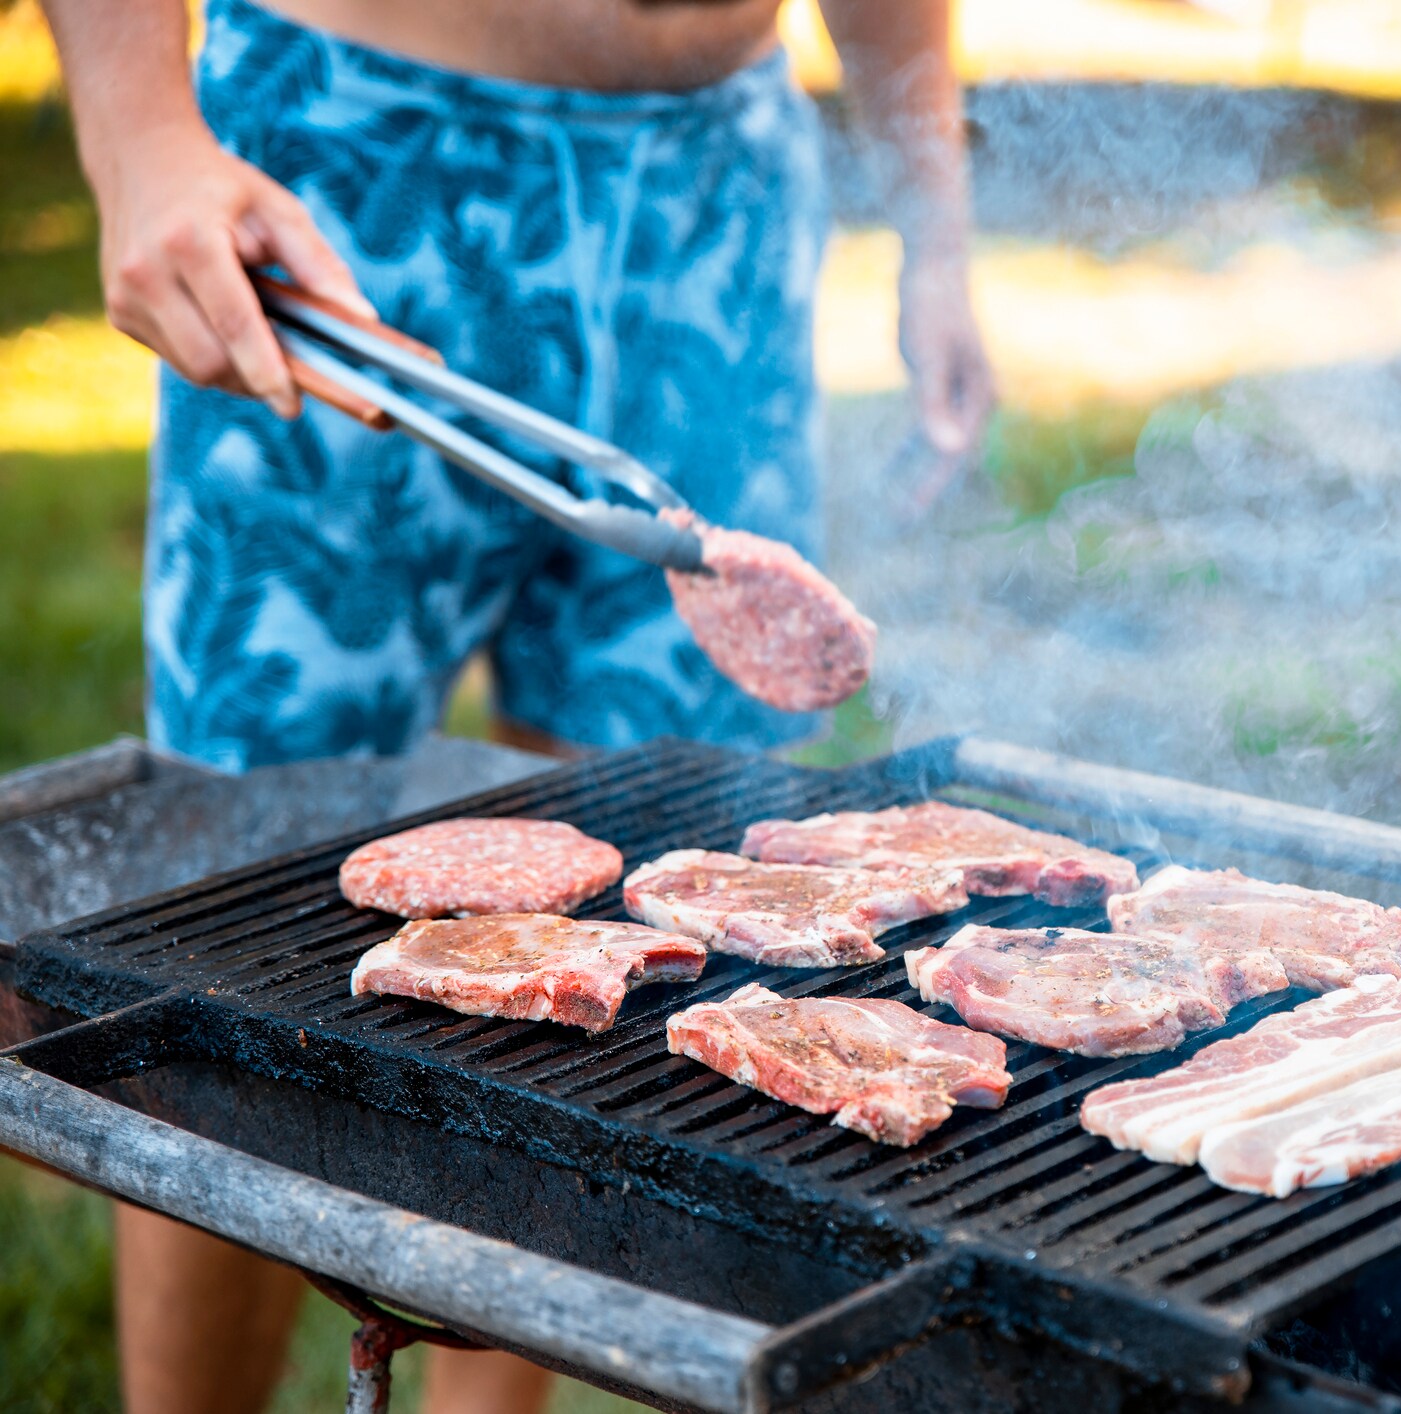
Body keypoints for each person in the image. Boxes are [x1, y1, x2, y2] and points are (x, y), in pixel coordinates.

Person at [38, 0, 992, 1409]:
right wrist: (138, 131)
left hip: (710, 207)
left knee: (621, 934)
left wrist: (936, 219)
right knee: (220, 934)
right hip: (356, 169)